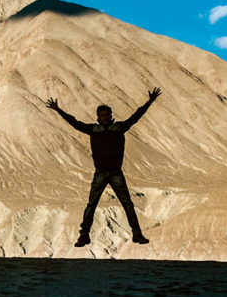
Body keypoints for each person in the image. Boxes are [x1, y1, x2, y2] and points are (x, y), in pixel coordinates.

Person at [46, 88, 161, 247]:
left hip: (116, 172)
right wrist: (58, 110)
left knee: (127, 204)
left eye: (107, 115)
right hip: (100, 172)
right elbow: (74, 123)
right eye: (102, 115)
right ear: (98, 117)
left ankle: (137, 234)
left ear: (111, 115)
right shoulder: (94, 130)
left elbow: (136, 116)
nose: (105, 117)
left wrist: (149, 101)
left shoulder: (119, 128)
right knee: (92, 204)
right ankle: (84, 235)